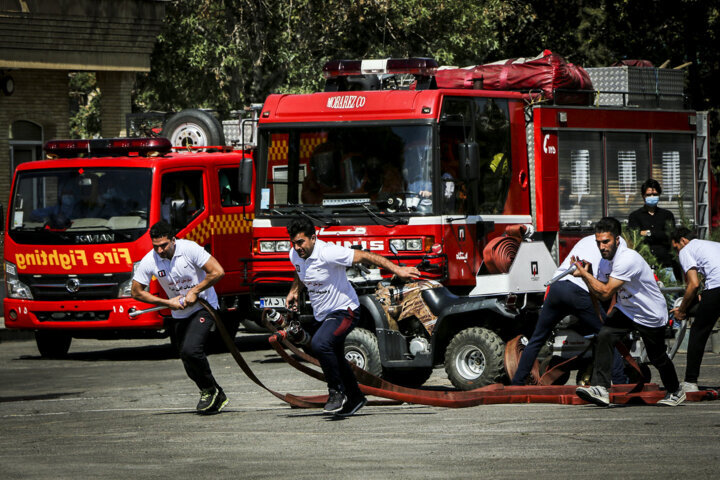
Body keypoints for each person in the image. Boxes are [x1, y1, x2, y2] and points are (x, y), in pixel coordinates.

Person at [285, 218, 420, 416]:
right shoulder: (295, 255)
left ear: (313, 238)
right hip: (322, 314)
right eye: (294, 243)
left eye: (301, 242)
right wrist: (294, 291)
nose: (297, 248)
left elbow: (366, 256)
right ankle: (355, 397)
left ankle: (336, 392)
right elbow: (301, 272)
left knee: (320, 344)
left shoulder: (329, 252)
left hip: (344, 310)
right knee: (334, 355)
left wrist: (398, 270)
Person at [573, 217, 684, 407]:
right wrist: (587, 277)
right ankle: (600, 388)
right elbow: (601, 295)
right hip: (626, 309)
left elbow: (606, 290)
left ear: (617, 240)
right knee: (605, 335)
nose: (602, 247)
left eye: (606, 242)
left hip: (649, 313)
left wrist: (585, 275)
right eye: (598, 242)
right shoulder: (604, 262)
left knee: (657, 357)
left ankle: (675, 390)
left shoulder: (627, 259)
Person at [131, 221, 228, 414]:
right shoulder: (150, 259)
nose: (159, 250)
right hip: (179, 311)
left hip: (204, 306)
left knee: (192, 350)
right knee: (185, 356)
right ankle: (212, 391)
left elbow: (218, 272)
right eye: (156, 246)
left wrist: (195, 291)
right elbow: (136, 291)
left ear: (173, 240)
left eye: (164, 245)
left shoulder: (190, 249)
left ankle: (210, 390)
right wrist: (168, 303)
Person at [510, 234, 627, 386]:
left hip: (557, 286)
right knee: (607, 335)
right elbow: (605, 289)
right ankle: (620, 382)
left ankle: (517, 383)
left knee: (537, 339)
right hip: (579, 289)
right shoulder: (617, 243)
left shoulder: (586, 240)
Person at [670, 227, 720, 393]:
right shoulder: (712, 245)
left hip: (717, 288)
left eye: (676, 247)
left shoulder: (686, 250)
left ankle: (690, 381)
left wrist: (682, 310)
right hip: (715, 289)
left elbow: (693, 284)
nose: (677, 252)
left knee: (699, 331)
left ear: (682, 241)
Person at [628, 179, 679, 279]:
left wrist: (648, 233)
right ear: (643, 196)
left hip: (665, 264)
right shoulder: (635, 216)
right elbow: (635, 237)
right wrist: (659, 234)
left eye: (655, 194)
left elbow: (669, 236)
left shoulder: (667, 215)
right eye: (648, 195)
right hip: (643, 263)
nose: (652, 197)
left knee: (670, 293)